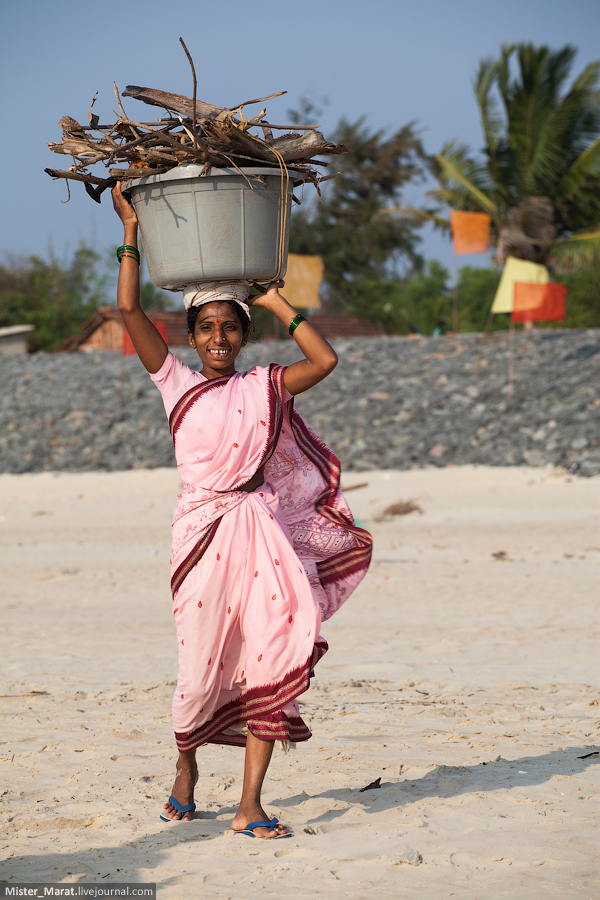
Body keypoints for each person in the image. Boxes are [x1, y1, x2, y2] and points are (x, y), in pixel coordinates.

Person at [112, 182, 372, 838]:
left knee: (267, 654)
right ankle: (186, 769)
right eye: (208, 328)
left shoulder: (265, 386)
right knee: (199, 671)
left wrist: (279, 301)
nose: (220, 337)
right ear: (192, 337)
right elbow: (128, 308)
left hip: (259, 536)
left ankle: (250, 803)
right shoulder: (176, 385)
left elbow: (326, 358)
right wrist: (131, 230)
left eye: (231, 327)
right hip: (199, 541)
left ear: (243, 334)